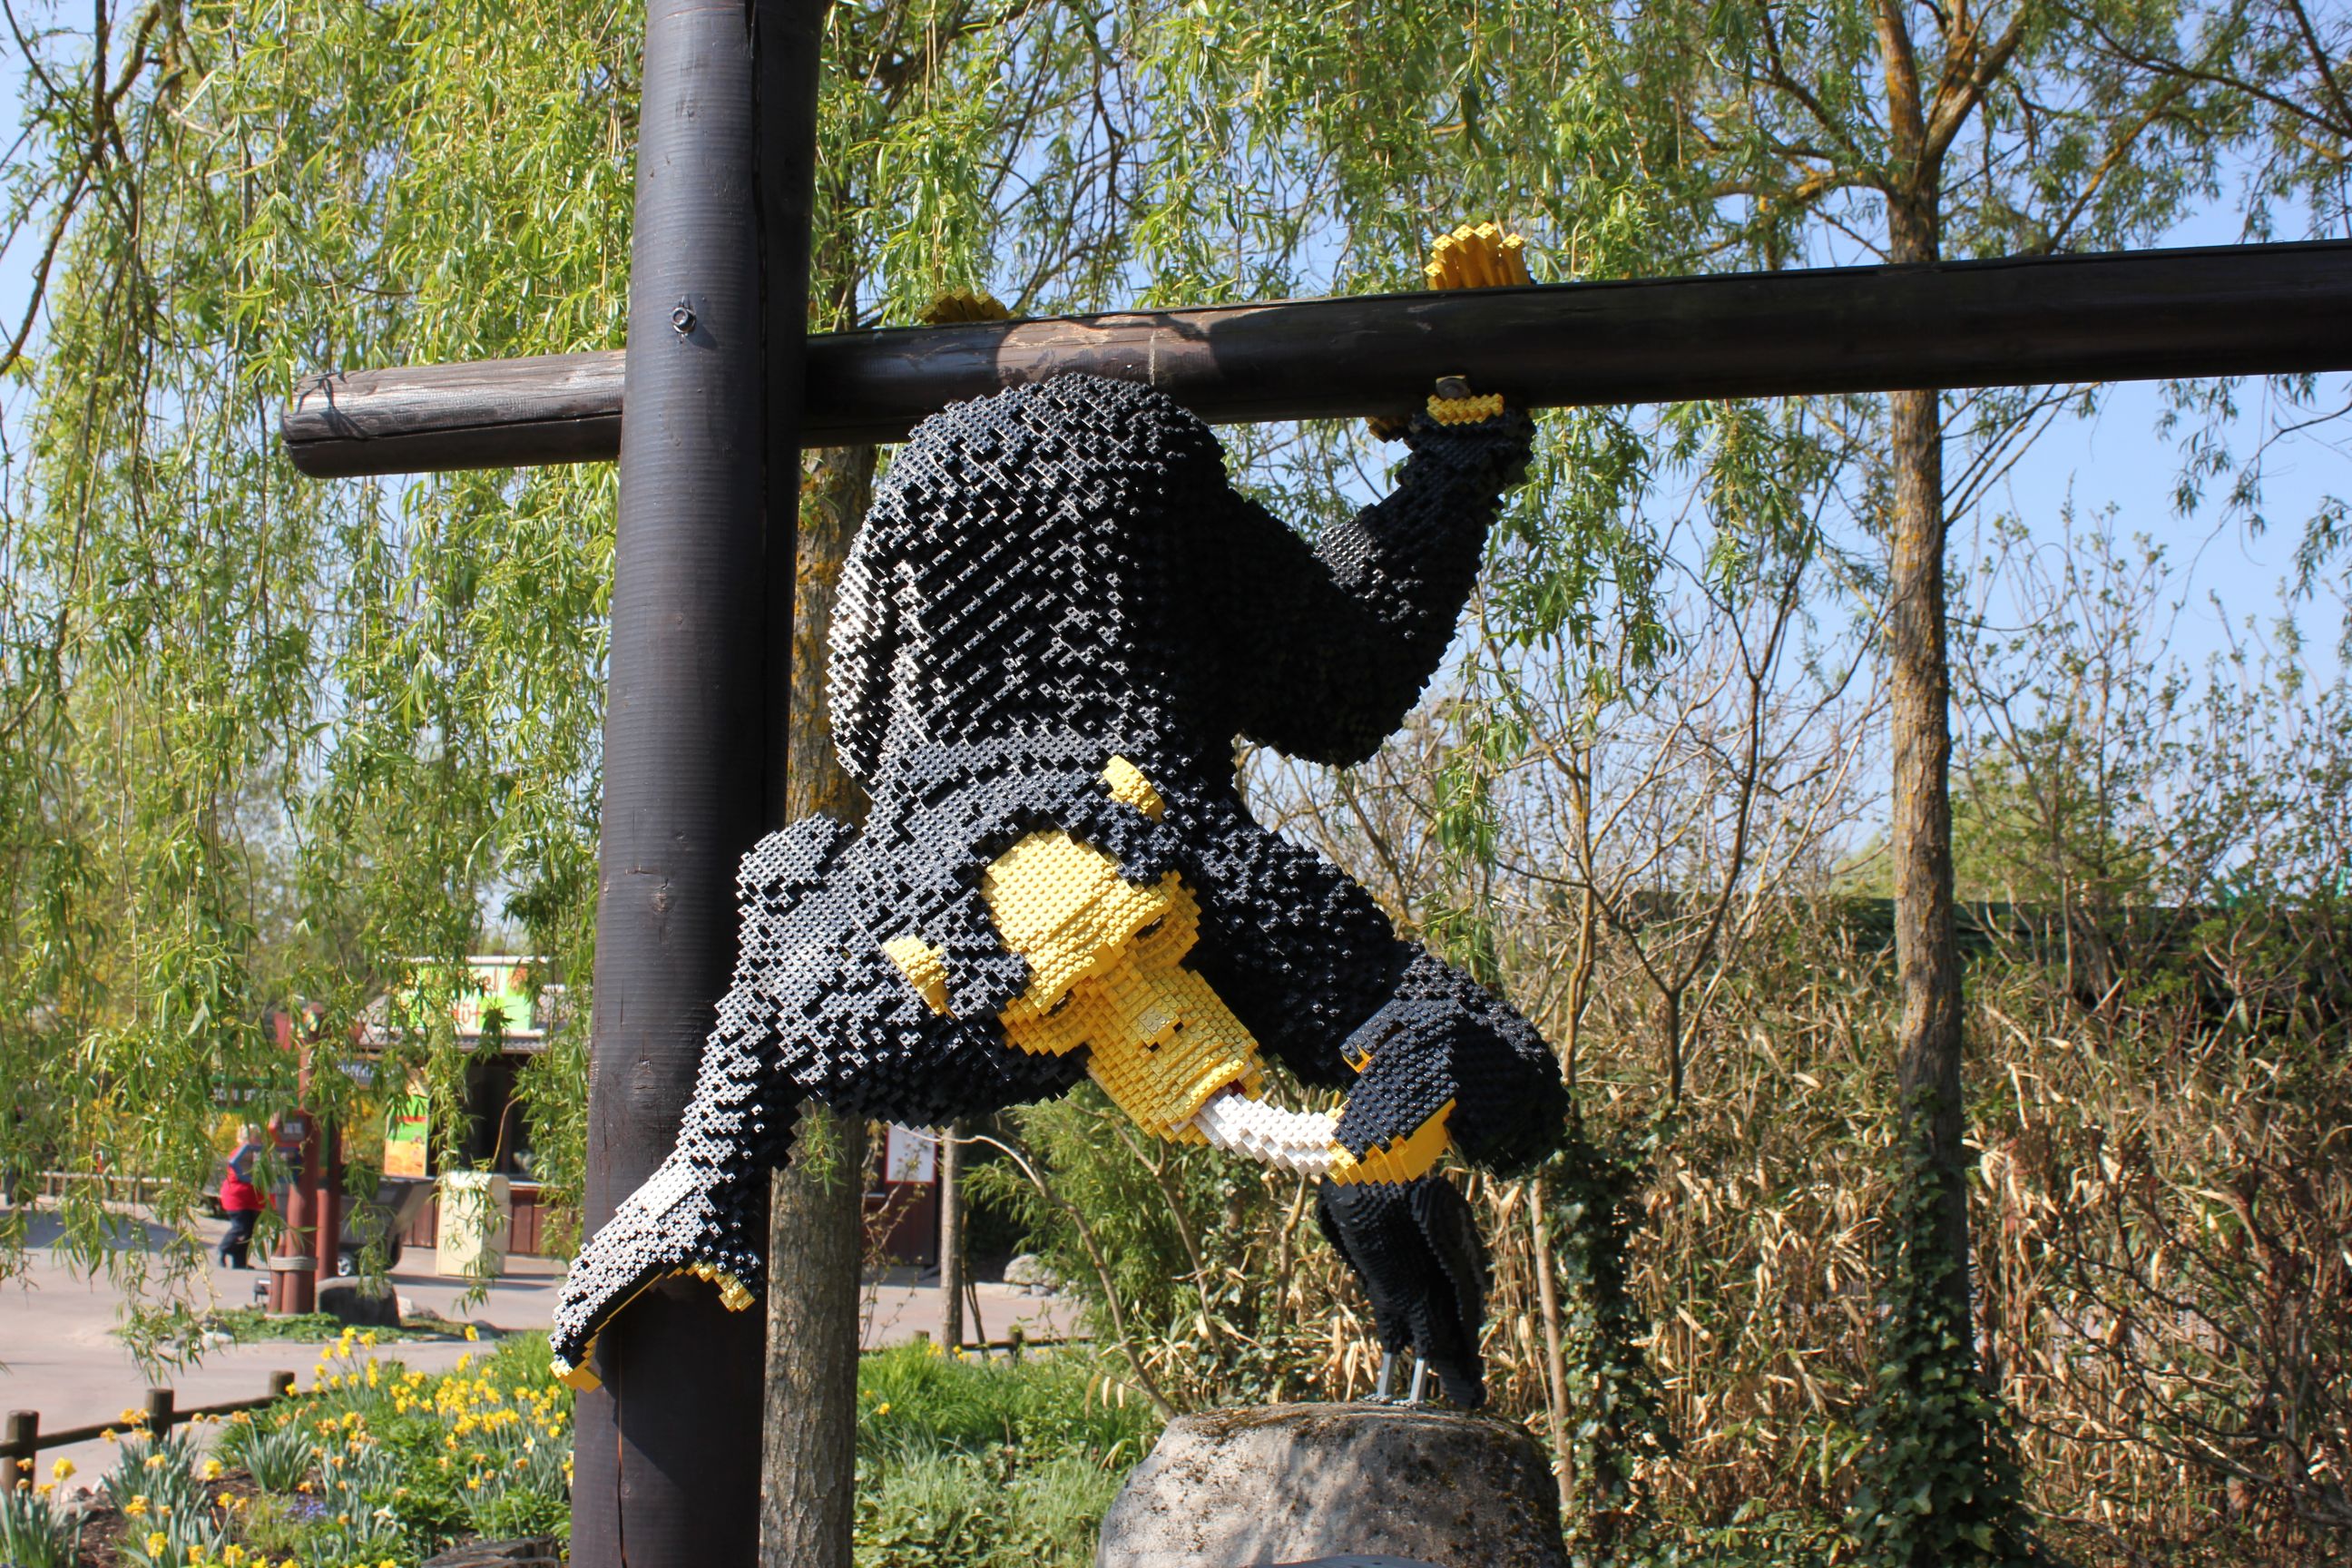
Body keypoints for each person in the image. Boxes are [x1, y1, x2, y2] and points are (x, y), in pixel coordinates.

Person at [218, 1124, 266, 1268]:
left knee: (248, 1231)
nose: (260, 1139)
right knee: (241, 1228)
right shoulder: (244, 1152)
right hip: (238, 1197)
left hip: (248, 1198)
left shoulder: (253, 1152)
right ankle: (224, 1248)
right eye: (257, 1136)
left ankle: (239, 1261)